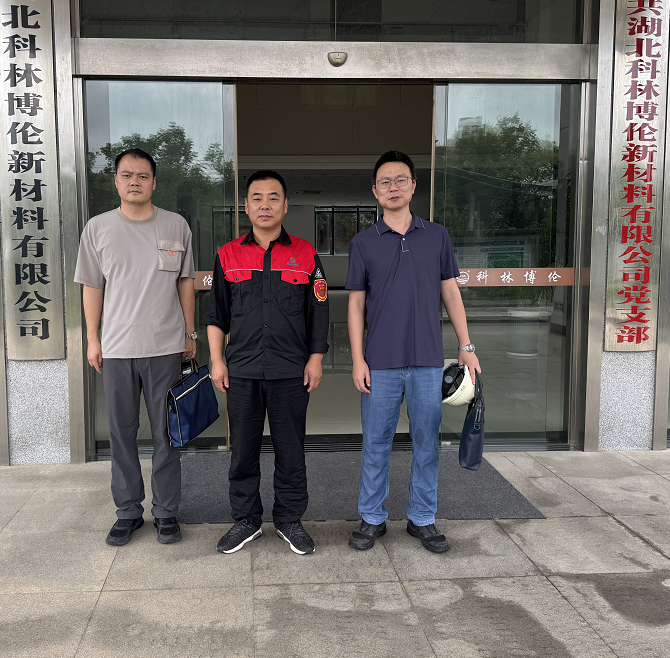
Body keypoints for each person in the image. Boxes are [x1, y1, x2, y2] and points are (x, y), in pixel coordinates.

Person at [346, 150, 481, 554]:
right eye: (385, 181)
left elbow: (450, 292)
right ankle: (372, 517)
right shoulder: (363, 243)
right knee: (376, 444)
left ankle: (422, 517)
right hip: (380, 362)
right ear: (375, 191)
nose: (393, 187)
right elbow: (355, 304)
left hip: (427, 361)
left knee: (426, 443)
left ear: (413, 186)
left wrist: (466, 346)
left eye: (400, 179)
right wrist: (357, 359)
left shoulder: (436, 236)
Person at [74, 148, 196, 547]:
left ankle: (166, 512)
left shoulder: (176, 225)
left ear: (154, 182)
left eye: (143, 176)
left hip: (165, 346)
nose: (135, 182)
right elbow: (92, 286)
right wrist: (93, 338)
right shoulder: (98, 228)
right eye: (127, 175)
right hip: (116, 348)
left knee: (166, 434)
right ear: (116, 181)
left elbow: (185, 282)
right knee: (121, 433)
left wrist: (189, 333)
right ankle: (128, 511)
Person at [206, 170, 329, 555]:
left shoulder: (306, 254)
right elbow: (216, 315)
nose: (265, 205)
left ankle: (290, 520)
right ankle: (246, 520)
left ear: (285, 205)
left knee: (290, 451)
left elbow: (319, 313)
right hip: (241, 371)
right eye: (257, 198)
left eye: (273, 197)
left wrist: (316, 359)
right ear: (245, 206)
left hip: (291, 371)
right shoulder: (227, 255)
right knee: (242, 451)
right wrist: (216, 360)